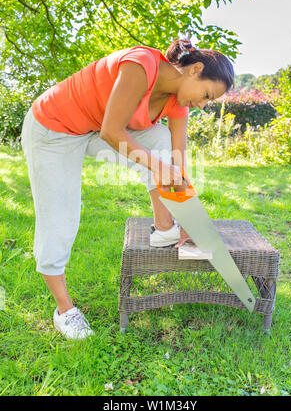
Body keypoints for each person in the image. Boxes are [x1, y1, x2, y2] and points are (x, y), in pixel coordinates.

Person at [20, 38, 234, 339]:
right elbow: (112, 132)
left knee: (160, 141)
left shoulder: (177, 104)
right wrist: (161, 169)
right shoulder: (141, 65)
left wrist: (187, 221)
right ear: (194, 69)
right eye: (206, 95)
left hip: (91, 129)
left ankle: (165, 228)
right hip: (53, 128)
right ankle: (64, 311)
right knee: (61, 216)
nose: (201, 104)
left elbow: (178, 162)